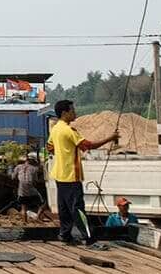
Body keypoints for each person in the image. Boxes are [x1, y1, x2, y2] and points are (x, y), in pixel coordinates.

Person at [47, 99, 118, 245]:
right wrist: (111, 138)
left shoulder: (55, 129)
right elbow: (88, 145)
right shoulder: (69, 130)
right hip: (71, 175)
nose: (75, 112)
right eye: (72, 110)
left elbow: (50, 147)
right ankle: (89, 238)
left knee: (64, 208)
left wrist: (63, 151)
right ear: (64, 113)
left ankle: (65, 235)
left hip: (59, 174)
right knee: (78, 209)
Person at [10, 152, 46, 221]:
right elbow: (35, 181)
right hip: (31, 190)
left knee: (24, 207)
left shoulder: (18, 167)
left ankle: (25, 223)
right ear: (32, 161)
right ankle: (37, 217)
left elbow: (13, 177)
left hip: (21, 191)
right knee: (43, 203)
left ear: (27, 159)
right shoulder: (34, 169)